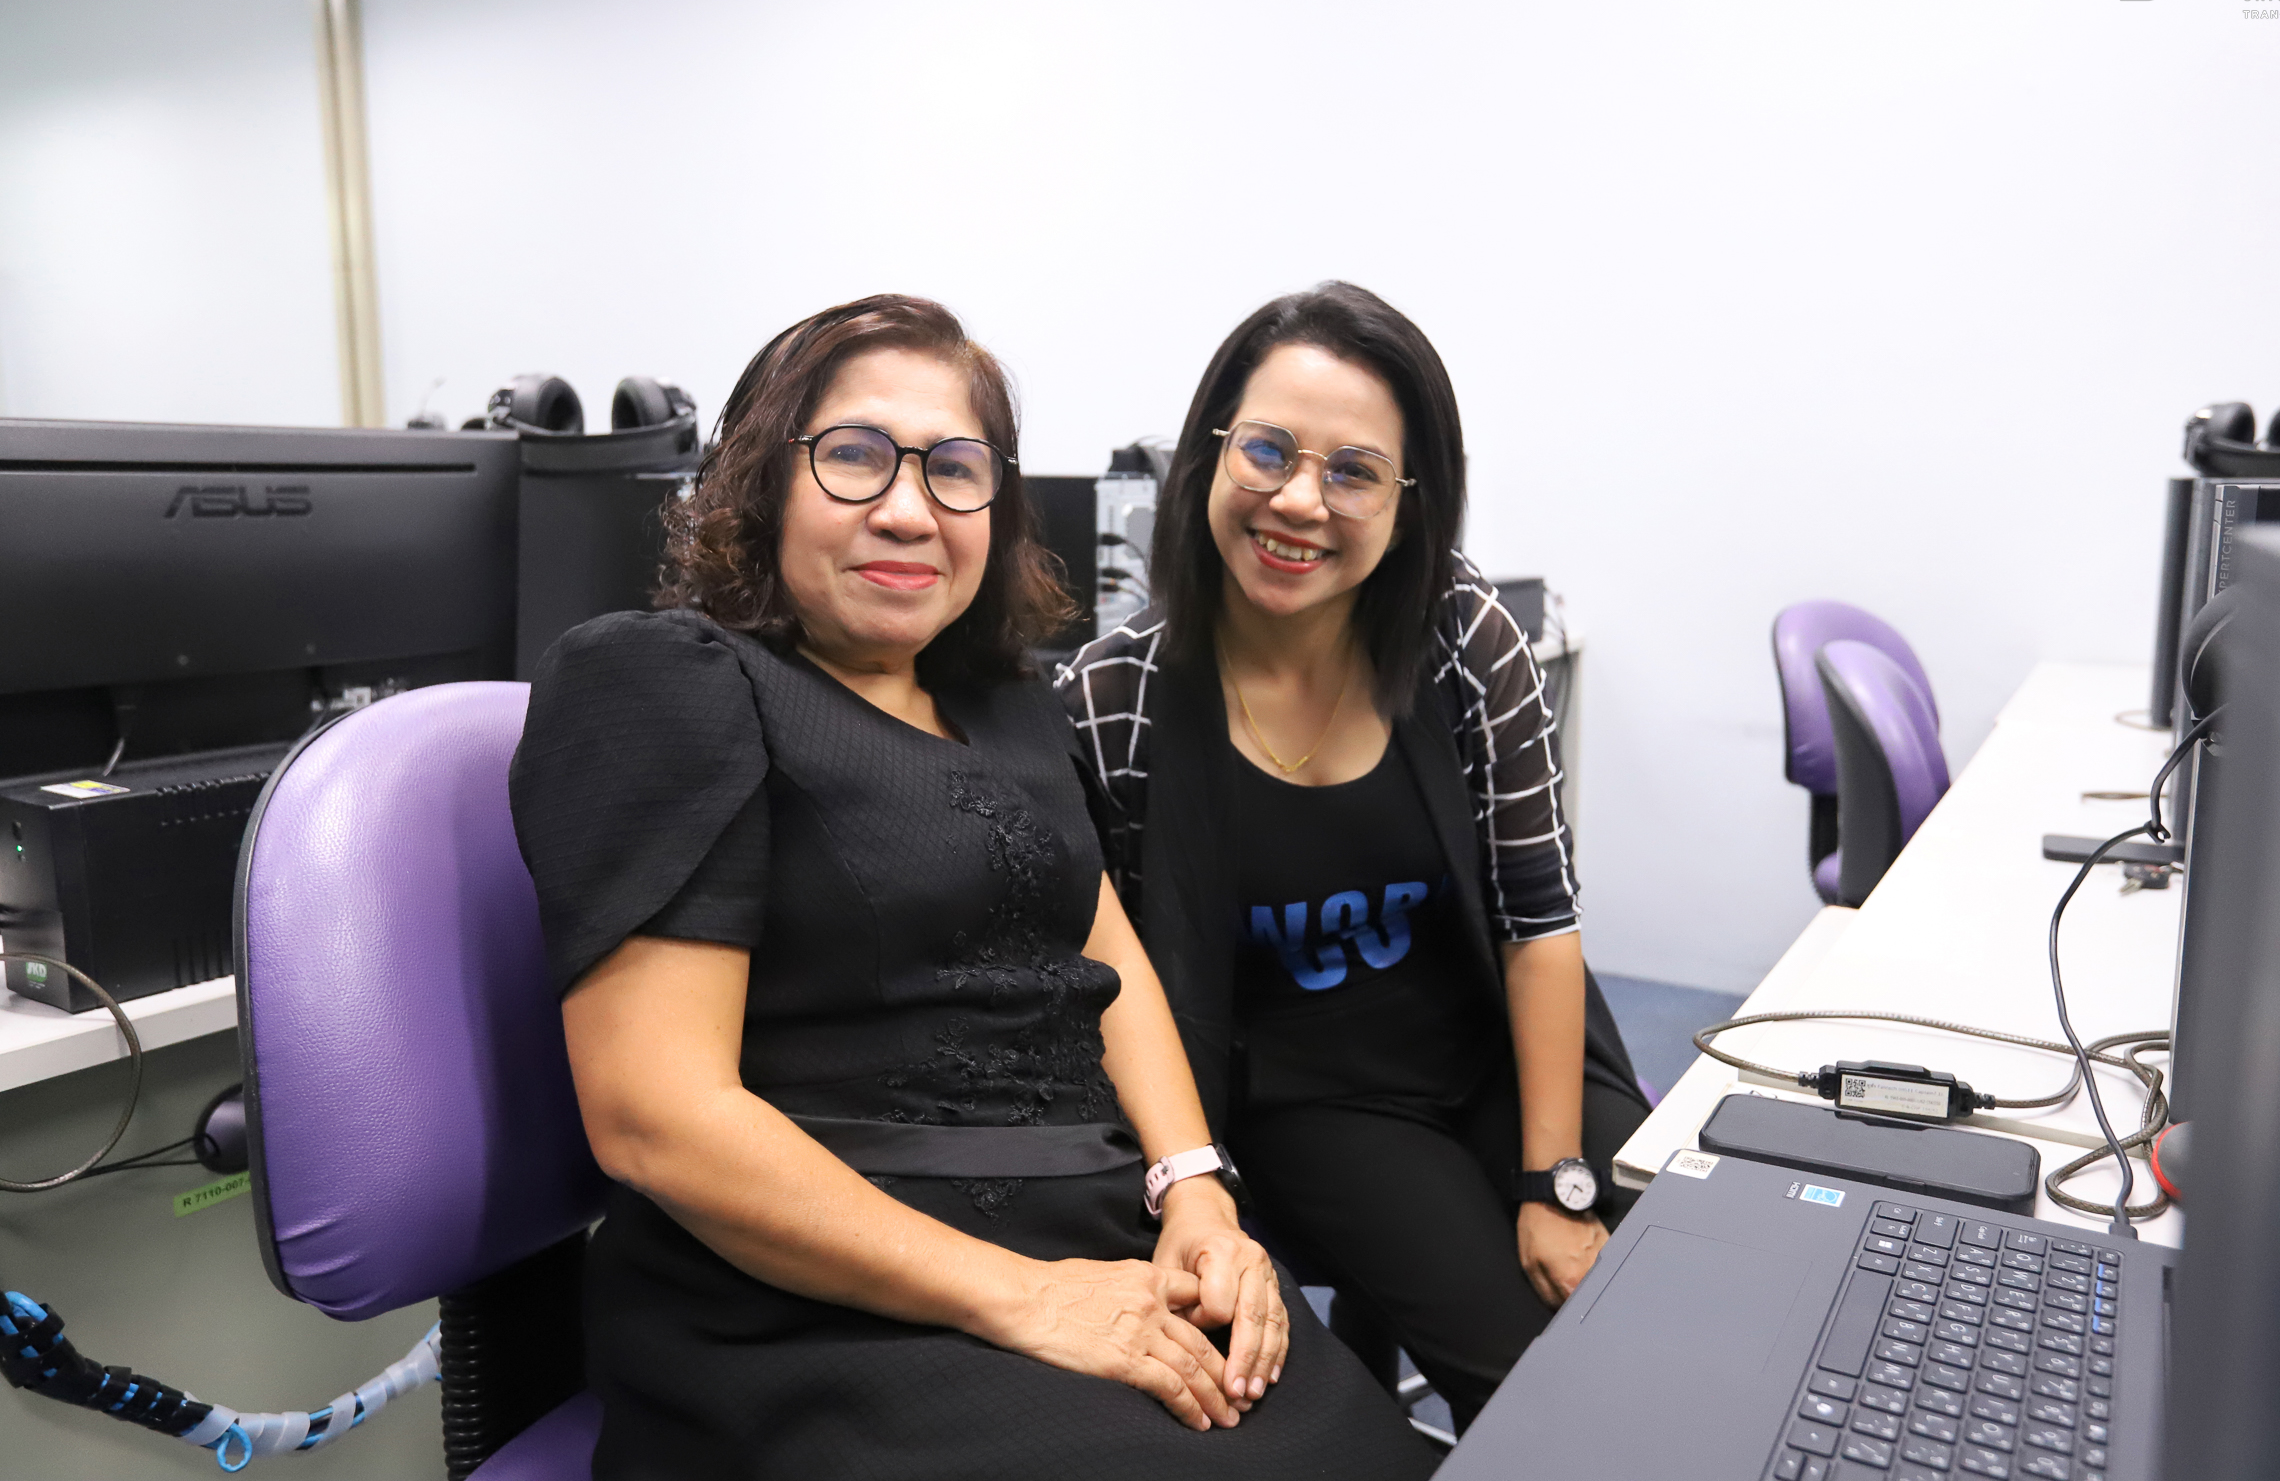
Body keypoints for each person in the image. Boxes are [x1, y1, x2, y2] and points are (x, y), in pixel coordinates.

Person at [509, 296, 1436, 1480]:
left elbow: (1107, 958)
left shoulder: (1007, 704)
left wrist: (1197, 1194)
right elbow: (656, 1116)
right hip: (817, 1298)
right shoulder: (667, 680)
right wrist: (1027, 1298)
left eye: (954, 469)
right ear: (760, 480)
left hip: (1090, 1234)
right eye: (854, 455)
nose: (909, 509)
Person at [1057, 281, 1650, 1430]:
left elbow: (1537, 917)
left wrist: (1553, 1181)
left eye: (1355, 472)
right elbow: (1118, 981)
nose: (1299, 500)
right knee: (1544, 1391)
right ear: (1211, 451)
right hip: (1318, 1098)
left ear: (1410, 501)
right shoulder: (1113, 698)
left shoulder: (1461, 635)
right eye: (1267, 450)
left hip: (1501, 1044)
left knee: (1703, 1264)